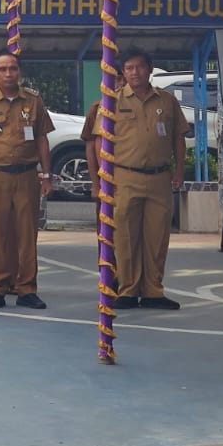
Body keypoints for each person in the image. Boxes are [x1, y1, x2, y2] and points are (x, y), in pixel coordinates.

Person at [81, 48, 189, 310]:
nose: (134, 72)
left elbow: (178, 137)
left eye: (139, 67)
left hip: (159, 177)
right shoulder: (112, 102)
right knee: (126, 236)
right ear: (123, 73)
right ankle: (128, 289)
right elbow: (100, 143)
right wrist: (102, 178)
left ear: (150, 69)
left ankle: (153, 290)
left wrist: (178, 171)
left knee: (156, 236)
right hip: (125, 177)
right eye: (128, 68)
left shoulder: (166, 101)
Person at [0, 52, 54, 310]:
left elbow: (42, 139)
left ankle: (27, 288)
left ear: (20, 72)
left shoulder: (33, 100)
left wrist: (46, 174)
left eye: (12, 69)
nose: (7, 74)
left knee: (27, 234)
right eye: (2, 69)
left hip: (26, 175)